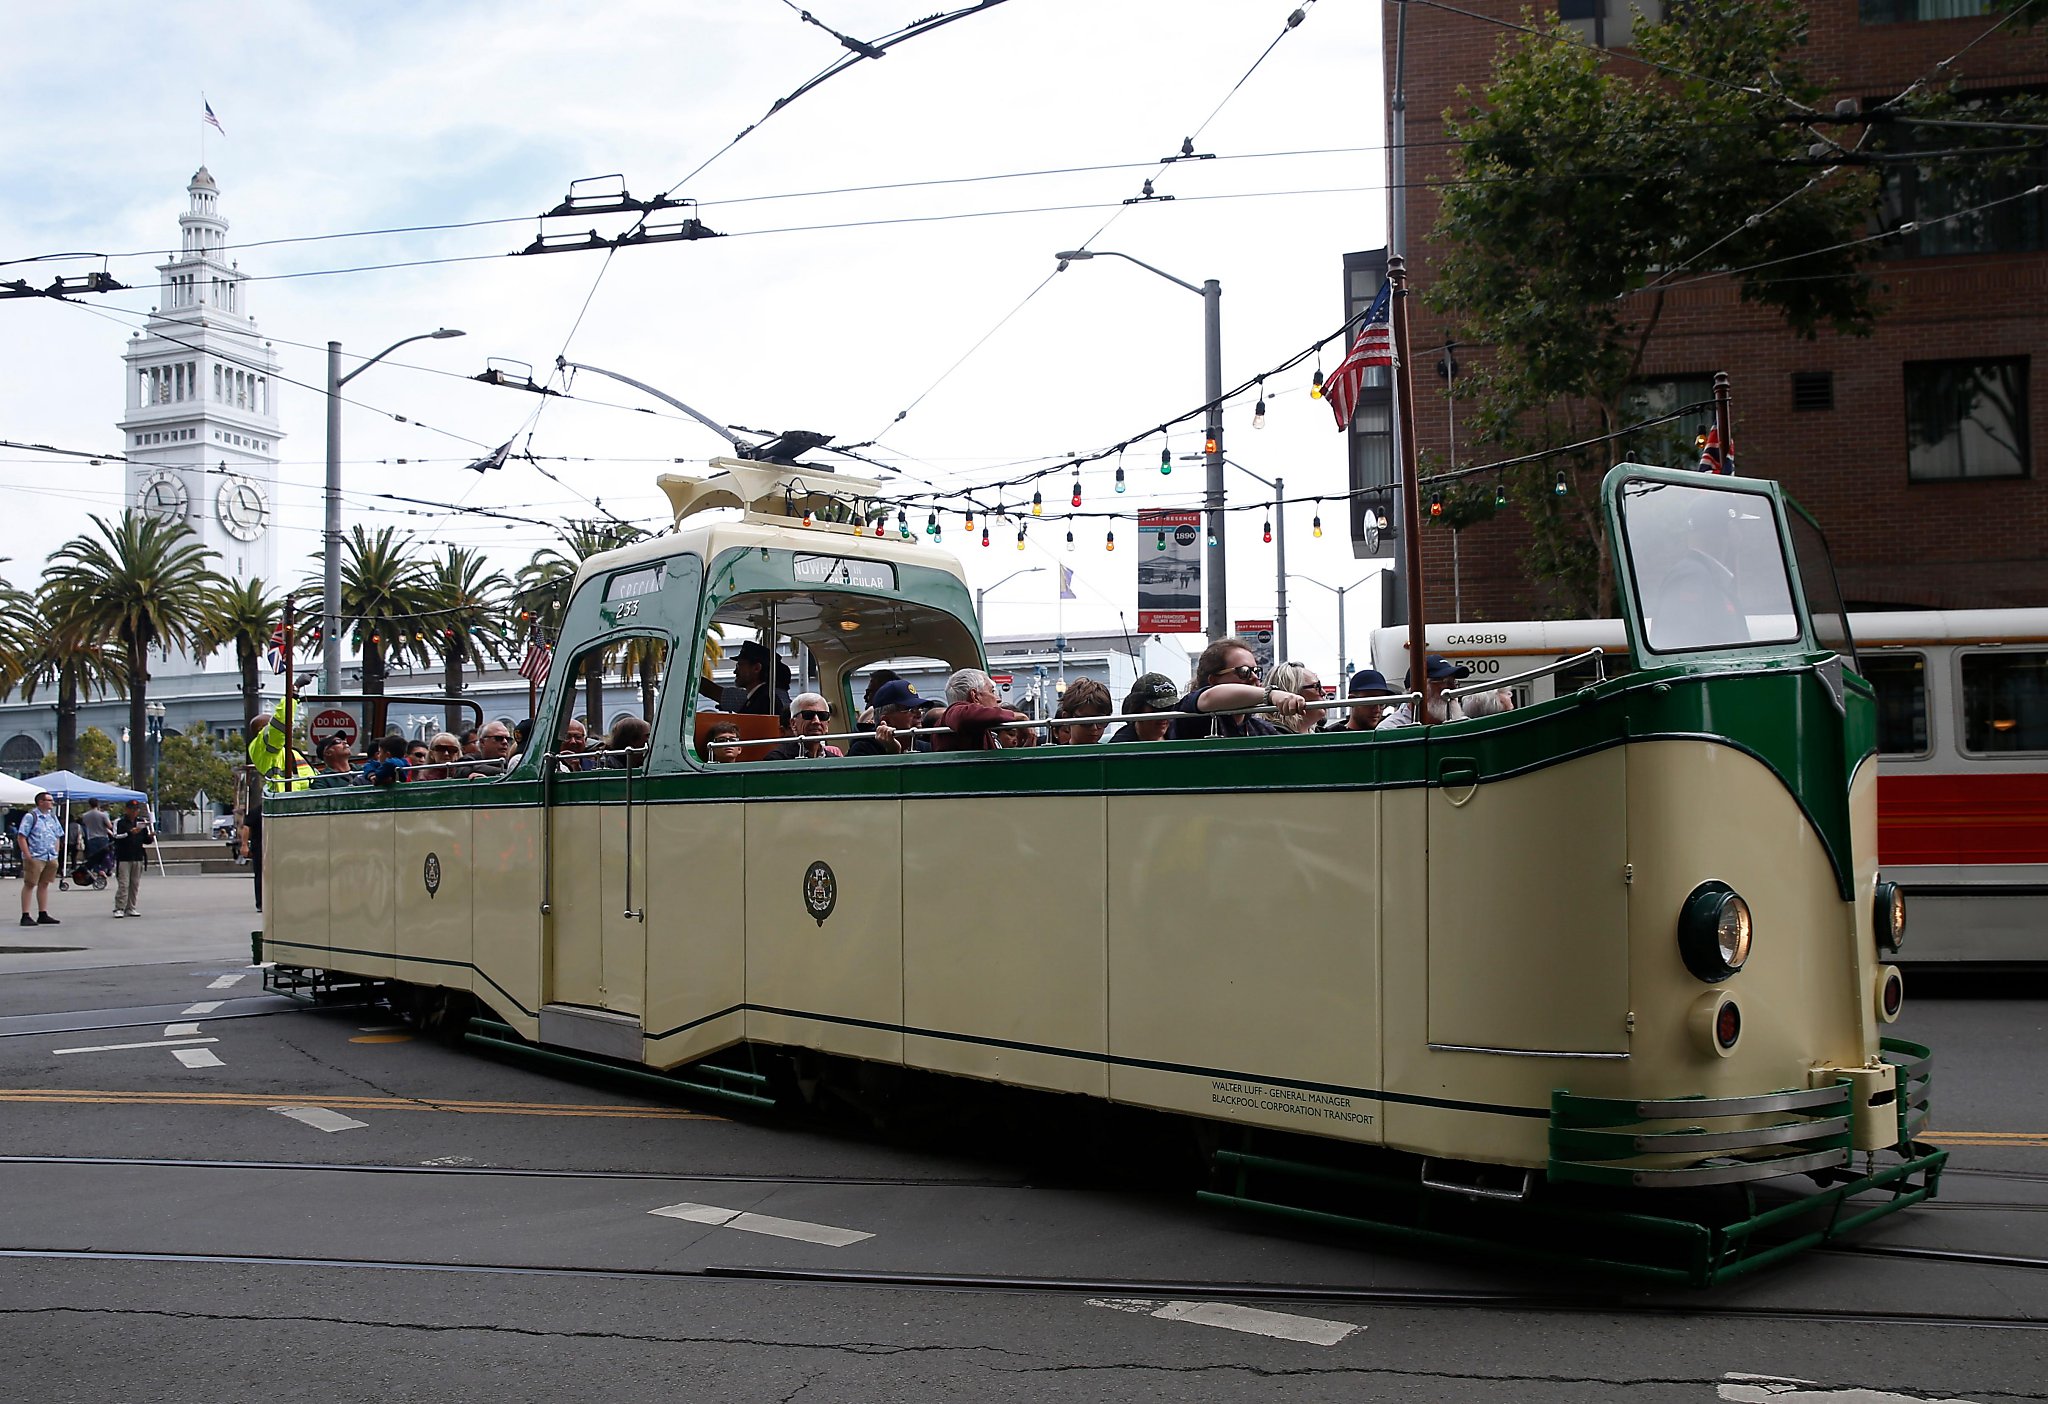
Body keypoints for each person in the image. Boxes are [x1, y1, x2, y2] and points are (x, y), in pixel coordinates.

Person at [1167, 637, 1308, 740]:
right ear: (1214, 680)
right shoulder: (1191, 712)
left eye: (1256, 671)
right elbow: (1210, 697)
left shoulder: (1261, 730)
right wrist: (1271, 695)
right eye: (1244, 671)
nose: (1254, 677)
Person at [933, 668, 1032, 751]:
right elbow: (963, 716)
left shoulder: (978, 724)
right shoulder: (955, 712)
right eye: (992, 691)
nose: (998, 699)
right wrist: (1019, 717)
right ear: (975, 696)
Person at [1377, 655, 1471, 729]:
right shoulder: (1391, 729)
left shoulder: (1462, 724)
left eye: (1453, 682)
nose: (1453, 688)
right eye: (1442, 681)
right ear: (1415, 689)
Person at [847, 679, 934, 756]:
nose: (919, 714)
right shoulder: (863, 750)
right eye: (910, 709)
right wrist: (893, 754)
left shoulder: (926, 748)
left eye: (920, 708)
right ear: (887, 721)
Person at [16, 791, 64, 927]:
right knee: (30, 883)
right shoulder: (31, 817)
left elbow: (58, 834)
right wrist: (27, 854)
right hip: (36, 855)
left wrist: (56, 850)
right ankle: (25, 914)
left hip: (50, 855)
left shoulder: (52, 817)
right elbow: (21, 836)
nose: (52, 803)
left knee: (44, 884)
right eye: (49, 800)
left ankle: (43, 913)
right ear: (41, 802)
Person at [763, 693, 845, 760]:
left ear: (827, 724)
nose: (816, 721)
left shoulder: (835, 760)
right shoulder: (777, 760)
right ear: (793, 723)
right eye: (808, 715)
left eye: (822, 716)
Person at [110, 799, 153, 919]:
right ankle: (119, 907)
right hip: (123, 857)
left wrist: (150, 836)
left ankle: (131, 907)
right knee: (124, 884)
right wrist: (129, 833)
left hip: (138, 856)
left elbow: (145, 840)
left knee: (134, 884)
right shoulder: (120, 822)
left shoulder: (141, 822)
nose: (134, 812)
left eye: (136, 810)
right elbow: (115, 837)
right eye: (132, 809)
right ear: (127, 810)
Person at [1108, 673, 1181, 743]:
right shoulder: (1121, 746)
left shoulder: (1178, 734)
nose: (1165, 716)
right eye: (1157, 709)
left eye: (1169, 709)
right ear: (1138, 710)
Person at [1325, 669, 1396, 732]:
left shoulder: (1389, 731)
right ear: (1352, 700)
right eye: (1370, 702)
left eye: (1381, 703)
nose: (1377, 709)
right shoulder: (1330, 736)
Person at [1264, 663, 1325, 735]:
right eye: (1317, 686)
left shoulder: (1315, 732)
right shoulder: (1273, 737)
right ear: (1292, 692)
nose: (1323, 692)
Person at [1049, 677, 1114, 745]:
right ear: (1067, 718)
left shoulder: (1113, 754)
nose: (1094, 728)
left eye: (1101, 721)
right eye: (1087, 721)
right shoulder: (1056, 755)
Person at [78, 799, 114, 874]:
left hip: (91, 837)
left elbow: (85, 824)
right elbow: (110, 825)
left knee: (94, 856)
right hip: (102, 837)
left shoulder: (85, 815)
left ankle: (97, 870)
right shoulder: (102, 815)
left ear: (89, 805)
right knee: (104, 854)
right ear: (98, 804)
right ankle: (105, 869)